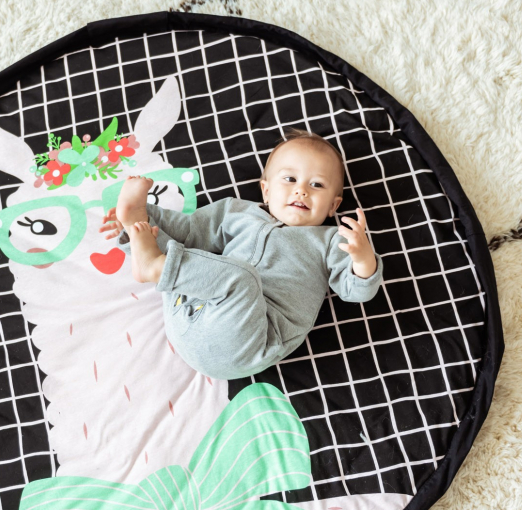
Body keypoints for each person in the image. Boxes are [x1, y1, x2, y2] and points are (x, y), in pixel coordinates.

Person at [99, 128, 384, 381]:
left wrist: (362, 258)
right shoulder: (236, 212)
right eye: (290, 179)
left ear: (333, 206)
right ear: (266, 190)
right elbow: (189, 230)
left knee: (241, 278)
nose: (301, 190)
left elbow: (357, 292)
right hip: (185, 310)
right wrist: (150, 219)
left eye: (317, 185)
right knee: (188, 252)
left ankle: (156, 266)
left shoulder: (332, 240)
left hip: (247, 341)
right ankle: (137, 223)